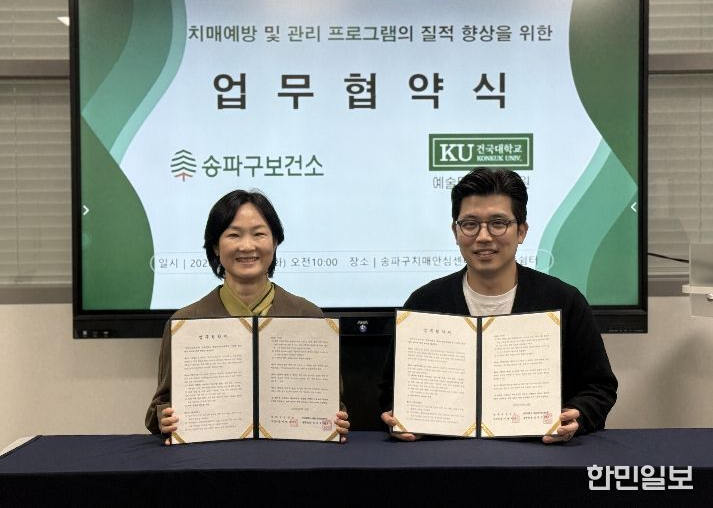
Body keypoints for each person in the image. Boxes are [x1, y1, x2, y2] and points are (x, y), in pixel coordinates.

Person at [380, 167, 617, 443]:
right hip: (443, 455)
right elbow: (390, 392)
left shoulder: (564, 301)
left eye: (498, 223)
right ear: (455, 231)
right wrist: (398, 417)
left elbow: (599, 387)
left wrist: (577, 416)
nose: (483, 236)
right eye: (470, 224)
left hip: (540, 454)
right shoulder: (424, 302)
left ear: (521, 231)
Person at [146, 189, 349, 444]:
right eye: (233, 235)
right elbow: (159, 406)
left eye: (259, 234)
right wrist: (165, 418)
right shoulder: (186, 322)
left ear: (275, 242)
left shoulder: (309, 316)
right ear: (215, 246)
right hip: (211, 458)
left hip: (292, 455)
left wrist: (336, 420)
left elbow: (332, 401)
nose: (247, 246)